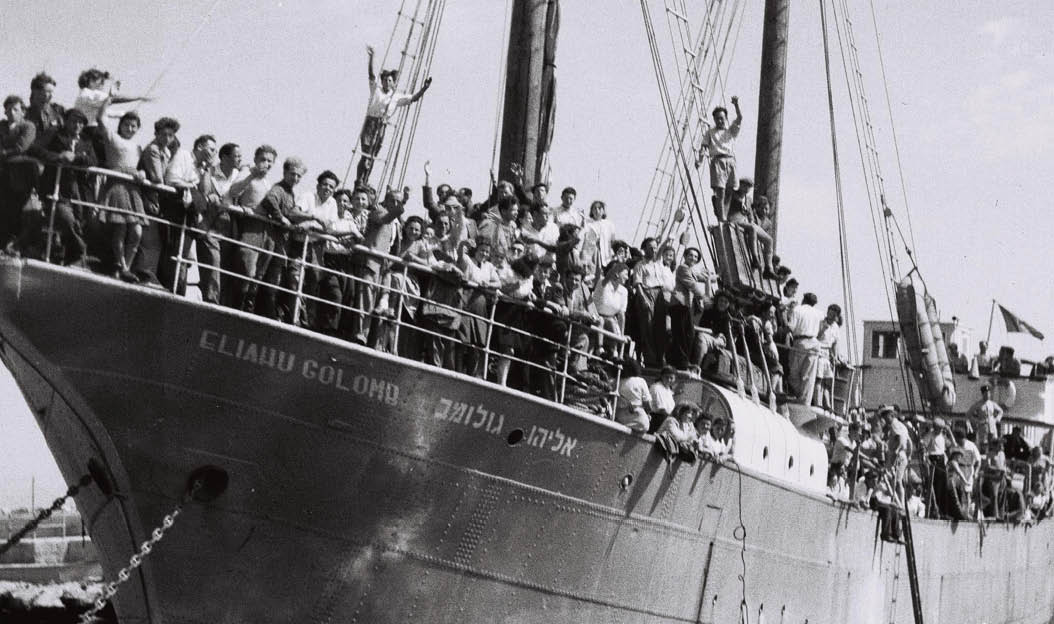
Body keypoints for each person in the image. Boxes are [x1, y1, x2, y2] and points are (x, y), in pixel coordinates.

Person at [355, 45, 432, 185]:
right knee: (366, 154)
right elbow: (371, 74)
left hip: (381, 124)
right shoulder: (376, 90)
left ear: (393, 83)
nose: (386, 82)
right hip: (370, 122)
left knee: (373, 156)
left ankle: (365, 181)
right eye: (385, 80)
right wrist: (371, 57)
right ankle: (359, 180)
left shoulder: (396, 97)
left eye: (389, 80)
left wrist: (424, 88)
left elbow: (413, 98)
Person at [28, 108, 96, 266]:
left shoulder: (86, 141)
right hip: (55, 186)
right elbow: (34, 149)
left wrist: (75, 158)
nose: (77, 125)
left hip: (78, 190)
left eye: (81, 123)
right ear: (66, 121)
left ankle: (67, 257)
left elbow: (93, 161)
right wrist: (58, 157)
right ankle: (80, 251)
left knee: (79, 221)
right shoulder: (54, 133)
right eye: (74, 121)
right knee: (65, 217)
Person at [251, 157, 306, 321]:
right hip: (272, 240)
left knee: (275, 279)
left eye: (299, 176)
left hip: (282, 243)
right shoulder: (279, 189)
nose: (295, 178)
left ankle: (267, 313)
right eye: (293, 174)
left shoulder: (290, 193)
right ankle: (257, 311)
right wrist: (280, 218)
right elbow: (270, 200)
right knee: (265, 276)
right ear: (285, 172)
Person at [229, 145, 278, 310]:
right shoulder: (247, 173)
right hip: (250, 227)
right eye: (263, 159)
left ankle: (248, 308)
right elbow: (233, 191)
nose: (266, 163)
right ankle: (236, 307)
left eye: (270, 161)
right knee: (247, 270)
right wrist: (251, 175)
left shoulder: (268, 183)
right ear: (256, 159)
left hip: (266, 231)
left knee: (258, 275)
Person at [695, 95, 743, 221]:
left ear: (726, 118)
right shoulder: (710, 132)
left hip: (730, 161)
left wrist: (736, 105)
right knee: (720, 191)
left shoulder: (731, 130)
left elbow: (739, 118)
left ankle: (725, 216)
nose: (720, 121)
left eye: (722, 118)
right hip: (718, 161)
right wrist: (700, 160)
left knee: (730, 191)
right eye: (717, 119)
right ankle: (722, 218)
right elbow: (704, 147)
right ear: (714, 120)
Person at [0, 95, 38, 252]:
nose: (11, 113)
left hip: (21, 175)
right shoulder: (1, 126)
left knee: (16, 210)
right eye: (8, 110)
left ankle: (14, 244)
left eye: (15, 109)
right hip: (3, 174)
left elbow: (22, 147)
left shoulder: (28, 126)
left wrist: (3, 153)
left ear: (23, 111)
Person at [630, 237, 674, 368]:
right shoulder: (639, 265)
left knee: (660, 326)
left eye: (655, 248)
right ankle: (650, 358)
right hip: (646, 293)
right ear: (644, 249)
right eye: (650, 248)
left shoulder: (658, 263)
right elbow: (637, 284)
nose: (654, 250)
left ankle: (660, 358)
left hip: (659, 294)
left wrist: (667, 240)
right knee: (647, 326)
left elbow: (661, 250)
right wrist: (643, 298)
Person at [669, 247, 711, 369]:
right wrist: (705, 298)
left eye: (696, 257)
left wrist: (713, 276)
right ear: (685, 256)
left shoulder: (691, 270)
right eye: (691, 255)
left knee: (688, 334)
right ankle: (681, 362)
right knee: (682, 334)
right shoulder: (683, 268)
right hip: (679, 305)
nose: (693, 258)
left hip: (685, 306)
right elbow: (692, 284)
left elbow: (701, 277)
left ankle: (681, 361)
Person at [786, 292, 826, 406]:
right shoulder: (819, 314)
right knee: (808, 376)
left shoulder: (798, 310)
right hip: (814, 343)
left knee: (793, 372)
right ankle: (804, 401)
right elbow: (821, 332)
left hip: (801, 342)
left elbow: (791, 327)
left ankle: (799, 396)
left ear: (804, 300)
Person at [591, 262, 629, 356]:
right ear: (617, 274)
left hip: (611, 319)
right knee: (601, 321)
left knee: (612, 322)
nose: (627, 277)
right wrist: (617, 266)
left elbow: (621, 315)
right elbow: (608, 277)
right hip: (596, 316)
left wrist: (621, 336)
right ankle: (599, 349)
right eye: (625, 274)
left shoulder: (624, 291)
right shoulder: (603, 283)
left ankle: (614, 352)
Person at [814, 304, 843, 410]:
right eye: (829, 313)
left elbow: (835, 343)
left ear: (836, 316)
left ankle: (827, 404)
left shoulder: (835, 327)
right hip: (819, 352)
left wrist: (835, 357)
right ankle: (818, 402)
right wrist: (823, 329)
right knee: (819, 379)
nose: (830, 317)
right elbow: (815, 337)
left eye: (833, 315)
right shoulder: (820, 323)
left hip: (827, 355)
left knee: (827, 381)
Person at [580, 200, 615, 280]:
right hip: (590, 252)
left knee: (603, 275)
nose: (597, 210)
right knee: (590, 275)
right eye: (594, 208)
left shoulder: (609, 224)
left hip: (605, 252)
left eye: (599, 208)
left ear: (603, 211)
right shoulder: (588, 222)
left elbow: (612, 240)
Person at [615, 359, 651, 432]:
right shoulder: (641, 381)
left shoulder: (617, 381)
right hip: (639, 420)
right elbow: (647, 404)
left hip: (620, 419)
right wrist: (648, 414)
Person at [967, 384, 1003, 450]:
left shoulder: (992, 403)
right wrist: (977, 421)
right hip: (983, 428)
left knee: (993, 444)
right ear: (983, 394)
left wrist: (996, 419)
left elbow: (1001, 411)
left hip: (992, 427)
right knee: (984, 445)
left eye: (989, 393)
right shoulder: (978, 404)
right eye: (986, 394)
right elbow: (968, 414)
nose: (987, 395)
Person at [648, 366, 677, 432]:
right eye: (666, 377)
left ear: (675, 379)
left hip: (666, 419)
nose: (669, 380)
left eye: (671, 378)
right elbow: (662, 410)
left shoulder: (668, 390)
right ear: (662, 377)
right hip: (657, 420)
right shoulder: (657, 388)